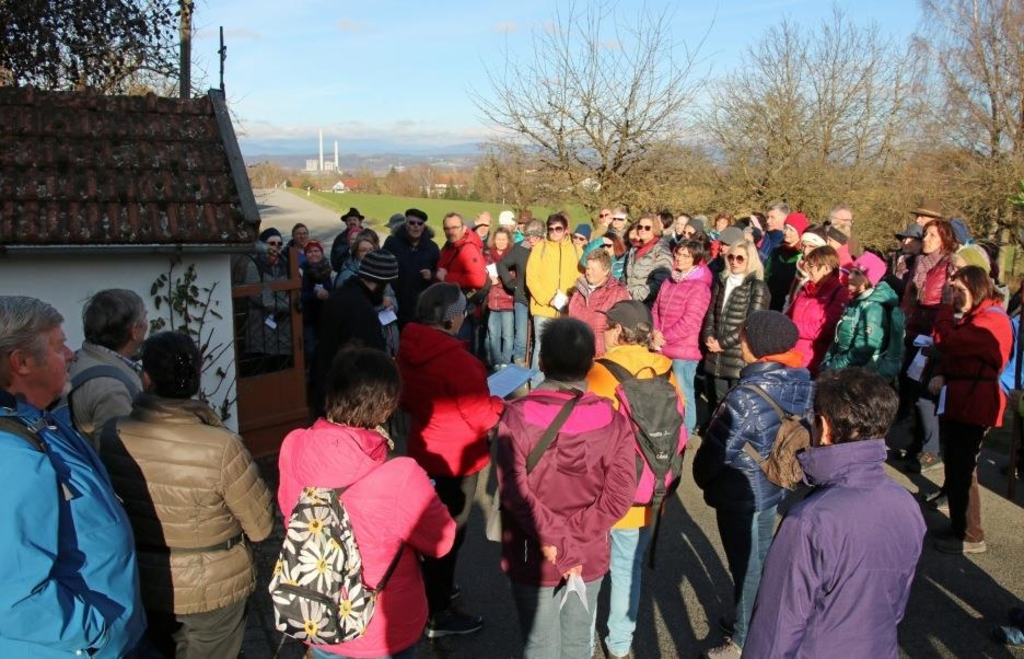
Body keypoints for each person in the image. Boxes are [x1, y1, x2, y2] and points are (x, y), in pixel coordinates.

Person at [99, 331, 273, 658]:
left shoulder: (113, 435)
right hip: (213, 586)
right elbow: (261, 526)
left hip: (143, 579)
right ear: (195, 377)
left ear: (146, 377)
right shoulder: (222, 447)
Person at [278, 347, 457, 658]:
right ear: (387, 408)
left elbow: (288, 513)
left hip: (317, 609)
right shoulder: (401, 476)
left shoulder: (294, 445)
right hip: (381, 626)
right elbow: (442, 540)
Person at [744, 368, 925, 657]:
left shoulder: (809, 520)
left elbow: (777, 627)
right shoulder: (906, 504)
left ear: (824, 427)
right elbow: (897, 600)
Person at [0, 296, 145, 657]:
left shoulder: (36, 419)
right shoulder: (11, 455)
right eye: (58, 345)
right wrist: (98, 635)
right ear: (22, 363)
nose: (70, 355)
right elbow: (13, 597)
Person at [495, 318, 636, 659]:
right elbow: (619, 496)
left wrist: (557, 540)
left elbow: (514, 491)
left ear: (541, 362)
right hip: (587, 550)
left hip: (535, 550)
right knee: (576, 643)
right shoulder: (614, 421)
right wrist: (574, 540)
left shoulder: (516, 417)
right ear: (591, 365)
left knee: (540, 645)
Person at [693, 310, 814, 658]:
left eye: (744, 335)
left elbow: (715, 451)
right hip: (776, 481)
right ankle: (753, 619)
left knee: (745, 565)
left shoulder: (745, 396)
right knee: (760, 559)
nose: (740, 341)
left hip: (741, 491)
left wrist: (702, 479)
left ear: (759, 346)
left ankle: (744, 640)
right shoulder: (803, 379)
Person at [397, 283, 504, 636]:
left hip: (423, 449)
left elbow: (406, 400)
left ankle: (434, 588)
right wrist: (500, 405)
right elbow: (482, 416)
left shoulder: (409, 347)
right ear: (452, 318)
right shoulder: (458, 361)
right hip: (457, 458)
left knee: (427, 526)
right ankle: (438, 611)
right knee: (450, 532)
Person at [586, 302, 686, 659]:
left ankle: (581, 643)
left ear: (618, 331)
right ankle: (619, 643)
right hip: (646, 494)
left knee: (589, 571)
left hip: (601, 495)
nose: (604, 332)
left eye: (608, 326)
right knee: (628, 568)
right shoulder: (666, 371)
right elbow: (680, 423)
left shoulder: (599, 373)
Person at [929, 265, 1013, 554]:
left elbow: (949, 342)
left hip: (976, 401)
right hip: (962, 396)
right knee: (955, 464)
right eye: (952, 290)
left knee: (964, 468)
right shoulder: (975, 317)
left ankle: (971, 534)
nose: (955, 296)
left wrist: (942, 309)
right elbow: (953, 350)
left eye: (960, 290)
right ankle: (958, 524)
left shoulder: (992, 321)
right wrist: (941, 370)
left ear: (977, 289)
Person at [311, 250, 399, 417]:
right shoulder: (360, 309)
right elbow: (368, 360)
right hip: (346, 398)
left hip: (327, 386)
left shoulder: (341, 295)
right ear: (381, 281)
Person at [902, 219, 958, 474]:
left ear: (944, 239)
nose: (926, 239)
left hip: (934, 329)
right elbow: (910, 297)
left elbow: (950, 300)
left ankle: (930, 449)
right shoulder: (919, 264)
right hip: (915, 328)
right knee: (912, 388)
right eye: (925, 234)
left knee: (925, 391)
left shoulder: (950, 263)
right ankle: (917, 444)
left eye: (933, 235)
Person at [67, 288, 147, 447]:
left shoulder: (78, 358)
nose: (147, 323)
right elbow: (119, 458)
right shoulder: (112, 389)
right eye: (145, 316)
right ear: (135, 331)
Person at [701, 240, 770, 413]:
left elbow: (750, 322)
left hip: (738, 354)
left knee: (735, 405)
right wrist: (708, 335)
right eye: (731, 257)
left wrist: (722, 343)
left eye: (740, 258)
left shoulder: (757, 287)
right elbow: (711, 313)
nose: (734, 261)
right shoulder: (722, 281)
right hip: (715, 353)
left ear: (750, 260)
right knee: (715, 401)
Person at [652, 239, 713, 436]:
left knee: (684, 393)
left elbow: (691, 321)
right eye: (678, 253)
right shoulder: (669, 281)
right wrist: (654, 332)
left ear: (696, 259)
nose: (679, 258)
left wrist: (665, 337)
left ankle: (685, 433)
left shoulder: (699, 287)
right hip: (662, 346)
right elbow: (655, 309)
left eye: (686, 255)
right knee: (663, 393)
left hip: (683, 351)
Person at [526, 213, 584, 387]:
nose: (554, 232)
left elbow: (581, 277)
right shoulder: (539, 248)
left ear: (566, 230)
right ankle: (536, 385)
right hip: (543, 308)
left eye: (558, 228)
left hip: (566, 307)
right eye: (550, 229)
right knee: (541, 347)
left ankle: (560, 383)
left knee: (564, 347)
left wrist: (570, 298)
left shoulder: (576, 250)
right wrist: (546, 299)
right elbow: (531, 277)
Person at [821, 252, 902, 373]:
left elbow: (862, 351)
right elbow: (837, 340)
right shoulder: (855, 302)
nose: (849, 276)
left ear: (868, 280)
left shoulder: (873, 309)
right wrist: (826, 362)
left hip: (856, 376)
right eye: (852, 271)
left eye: (857, 273)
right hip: (841, 370)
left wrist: (833, 369)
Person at [786, 245, 850, 374]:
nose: (807, 269)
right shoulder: (806, 288)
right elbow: (788, 314)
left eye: (811, 266)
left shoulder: (839, 293)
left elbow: (824, 329)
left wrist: (791, 327)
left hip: (811, 363)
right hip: (789, 357)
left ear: (826, 269)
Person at [241, 227, 293, 377]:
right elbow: (258, 296)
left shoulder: (287, 265)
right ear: (263, 244)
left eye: (279, 243)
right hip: (260, 331)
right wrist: (286, 306)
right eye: (271, 243)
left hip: (284, 332)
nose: (276, 246)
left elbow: (294, 292)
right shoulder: (254, 265)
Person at [567, 248, 631, 356]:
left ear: (606, 271)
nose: (589, 273)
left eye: (593, 269)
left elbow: (624, 331)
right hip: (576, 354)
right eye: (588, 268)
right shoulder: (579, 289)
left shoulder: (618, 293)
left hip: (601, 356)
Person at [383, 208, 440, 327]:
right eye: (412, 223)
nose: (416, 226)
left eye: (420, 223)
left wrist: (432, 275)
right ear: (406, 224)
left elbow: (440, 273)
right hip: (395, 303)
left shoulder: (432, 248)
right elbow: (381, 269)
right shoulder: (392, 243)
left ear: (424, 226)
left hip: (420, 307)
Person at [498, 219, 544, 367]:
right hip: (522, 298)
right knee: (521, 337)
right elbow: (502, 264)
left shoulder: (547, 250)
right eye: (527, 236)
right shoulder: (520, 248)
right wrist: (511, 283)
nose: (530, 239)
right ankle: (518, 367)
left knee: (539, 338)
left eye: (534, 236)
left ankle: (536, 368)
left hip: (542, 300)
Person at [622, 213, 673, 306]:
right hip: (628, 300)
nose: (642, 230)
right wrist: (622, 291)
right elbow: (625, 275)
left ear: (654, 229)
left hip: (647, 304)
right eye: (640, 227)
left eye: (647, 227)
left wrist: (635, 294)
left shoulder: (661, 250)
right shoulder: (634, 249)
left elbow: (661, 283)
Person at [486, 226, 517, 368]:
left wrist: (499, 281)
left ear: (508, 240)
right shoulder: (487, 256)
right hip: (493, 302)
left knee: (508, 336)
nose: (501, 242)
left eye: (504, 239)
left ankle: (505, 362)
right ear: (494, 240)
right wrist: (488, 279)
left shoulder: (512, 256)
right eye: (498, 239)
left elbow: (514, 279)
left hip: (508, 302)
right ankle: (496, 362)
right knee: (493, 335)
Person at [299, 239, 333, 365]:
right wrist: (315, 295)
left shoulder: (326, 269)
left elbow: (331, 289)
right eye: (310, 251)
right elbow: (299, 295)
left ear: (321, 252)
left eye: (316, 250)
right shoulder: (301, 271)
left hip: (324, 316)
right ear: (305, 254)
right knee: (310, 350)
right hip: (308, 317)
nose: (314, 254)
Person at [765, 212, 807, 312]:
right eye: (785, 228)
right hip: (768, 303)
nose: (786, 232)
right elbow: (766, 276)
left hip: (787, 308)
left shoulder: (802, 258)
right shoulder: (776, 251)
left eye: (791, 230)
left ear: (800, 233)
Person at [330, 207, 364, 271]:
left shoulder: (368, 236)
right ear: (346, 223)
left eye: (354, 220)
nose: (352, 222)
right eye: (349, 220)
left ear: (360, 222)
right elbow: (335, 262)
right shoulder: (340, 239)